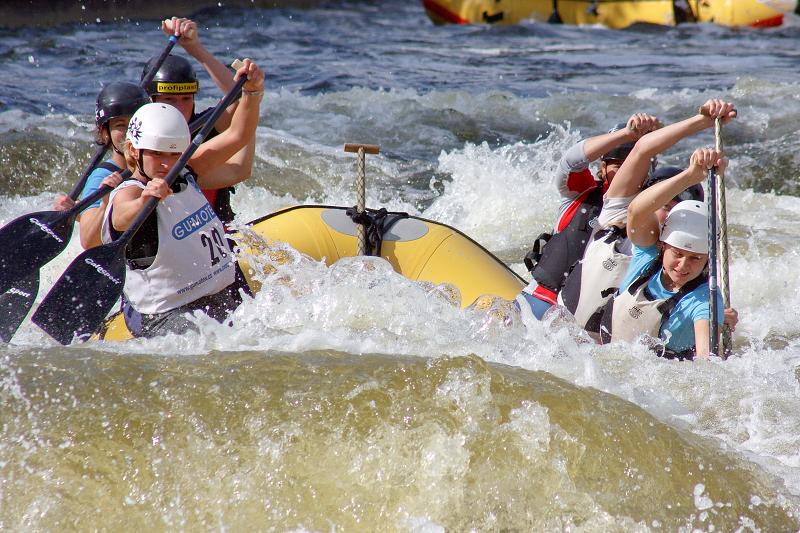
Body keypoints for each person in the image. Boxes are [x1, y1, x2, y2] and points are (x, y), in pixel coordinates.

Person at [100, 59, 264, 338]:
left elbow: (238, 135)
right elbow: (121, 216)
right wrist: (145, 201)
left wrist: (252, 93)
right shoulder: (130, 190)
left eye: (174, 153)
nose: (167, 163)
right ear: (134, 150)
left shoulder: (186, 169)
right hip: (165, 314)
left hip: (217, 294)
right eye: (157, 154)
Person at [556, 99, 733, 330]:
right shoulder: (616, 215)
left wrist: (720, 317)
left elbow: (696, 305)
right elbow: (642, 149)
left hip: (612, 345)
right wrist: (702, 121)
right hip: (560, 330)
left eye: (676, 211)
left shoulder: (686, 263)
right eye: (664, 206)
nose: (667, 216)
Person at [594, 146, 738, 359]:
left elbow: (707, 358)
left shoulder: (705, 300)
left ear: (708, 259)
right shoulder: (647, 255)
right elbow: (636, 210)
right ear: (663, 246)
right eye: (677, 254)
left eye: (695, 258)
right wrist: (691, 175)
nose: (683, 265)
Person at [518, 113, 662, 319]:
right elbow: (571, 162)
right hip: (541, 300)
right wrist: (626, 134)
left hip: (589, 321)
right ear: (603, 167)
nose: (627, 173)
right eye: (619, 166)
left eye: (635, 166)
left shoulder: (654, 216)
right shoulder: (579, 192)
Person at [142, 17, 256, 226]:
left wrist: (194, 47)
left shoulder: (206, 125)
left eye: (186, 98)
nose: (179, 108)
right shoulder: (138, 144)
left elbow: (241, 101)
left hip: (218, 233)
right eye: (169, 100)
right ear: (150, 101)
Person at [53, 82, 151, 248]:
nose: (130, 131)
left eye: (135, 122)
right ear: (105, 133)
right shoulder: (102, 177)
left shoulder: (161, 161)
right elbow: (88, 241)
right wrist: (105, 204)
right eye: (121, 125)